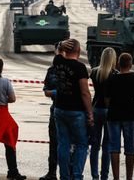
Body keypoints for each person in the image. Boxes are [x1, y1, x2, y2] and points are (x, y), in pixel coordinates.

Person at [53, 39, 94, 180]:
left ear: (65, 49)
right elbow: (85, 92)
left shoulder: (58, 62)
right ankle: (76, 175)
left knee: (63, 143)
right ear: (78, 50)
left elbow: (58, 52)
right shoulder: (80, 67)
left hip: (59, 109)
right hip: (76, 111)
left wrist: (60, 46)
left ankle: (64, 176)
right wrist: (90, 113)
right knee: (82, 144)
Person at [105, 53, 134, 180]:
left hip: (113, 116)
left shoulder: (111, 79)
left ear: (118, 64)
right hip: (130, 116)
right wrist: (133, 110)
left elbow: (107, 100)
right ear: (130, 64)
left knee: (114, 148)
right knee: (130, 149)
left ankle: (116, 178)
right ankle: (129, 178)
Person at [89, 47, 118, 180]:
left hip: (96, 109)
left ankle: (94, 175)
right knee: (107, 145)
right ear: (113, 59)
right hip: (110, 111)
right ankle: (104, 176)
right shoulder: (115, 74)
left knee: (95, 145)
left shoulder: (94, 72)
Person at [40, 43, 63, 180]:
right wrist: (55, 93)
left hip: (63, 109)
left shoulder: (74, 68)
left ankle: (64, 173)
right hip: (57, 109)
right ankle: (53, 172)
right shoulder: (51, 70)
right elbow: (46, 91)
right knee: (55, 143)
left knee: (62, 143)